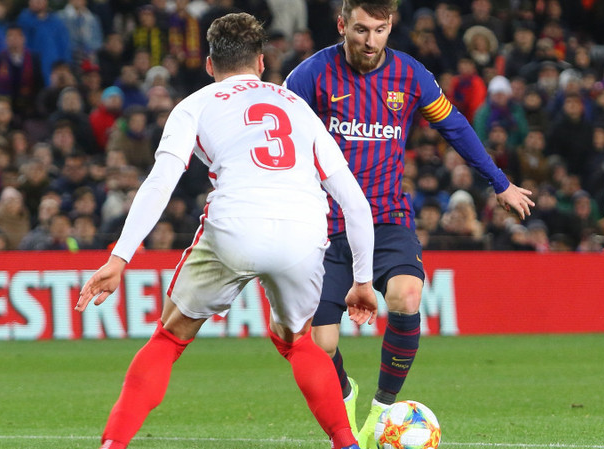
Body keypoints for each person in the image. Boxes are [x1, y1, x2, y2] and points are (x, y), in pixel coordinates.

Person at [75, 12, 377, 449]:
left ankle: (113, 444)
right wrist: (363, 281)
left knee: (169, 338)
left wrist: (119, 257)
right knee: (298, 342)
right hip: (304, 229)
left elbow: (161, 181)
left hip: (237, 223)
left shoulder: (195, 104)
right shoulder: (298, 107)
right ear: (261, 63)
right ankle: (346, 443)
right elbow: (355, 203)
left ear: (209, 64)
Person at [283, 1, 535, 447]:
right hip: (325, 223)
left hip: (387, 217)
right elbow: (277, 136)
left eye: (380, 30)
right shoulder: (309, 76)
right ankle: (345, 392)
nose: (371, 41)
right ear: (342, 25)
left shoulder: (410, 75)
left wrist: (500, 183)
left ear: (390, 26)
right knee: (319, 344)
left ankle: (382, 412)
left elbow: (454, 126)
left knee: (407, 294)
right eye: (361, 30)